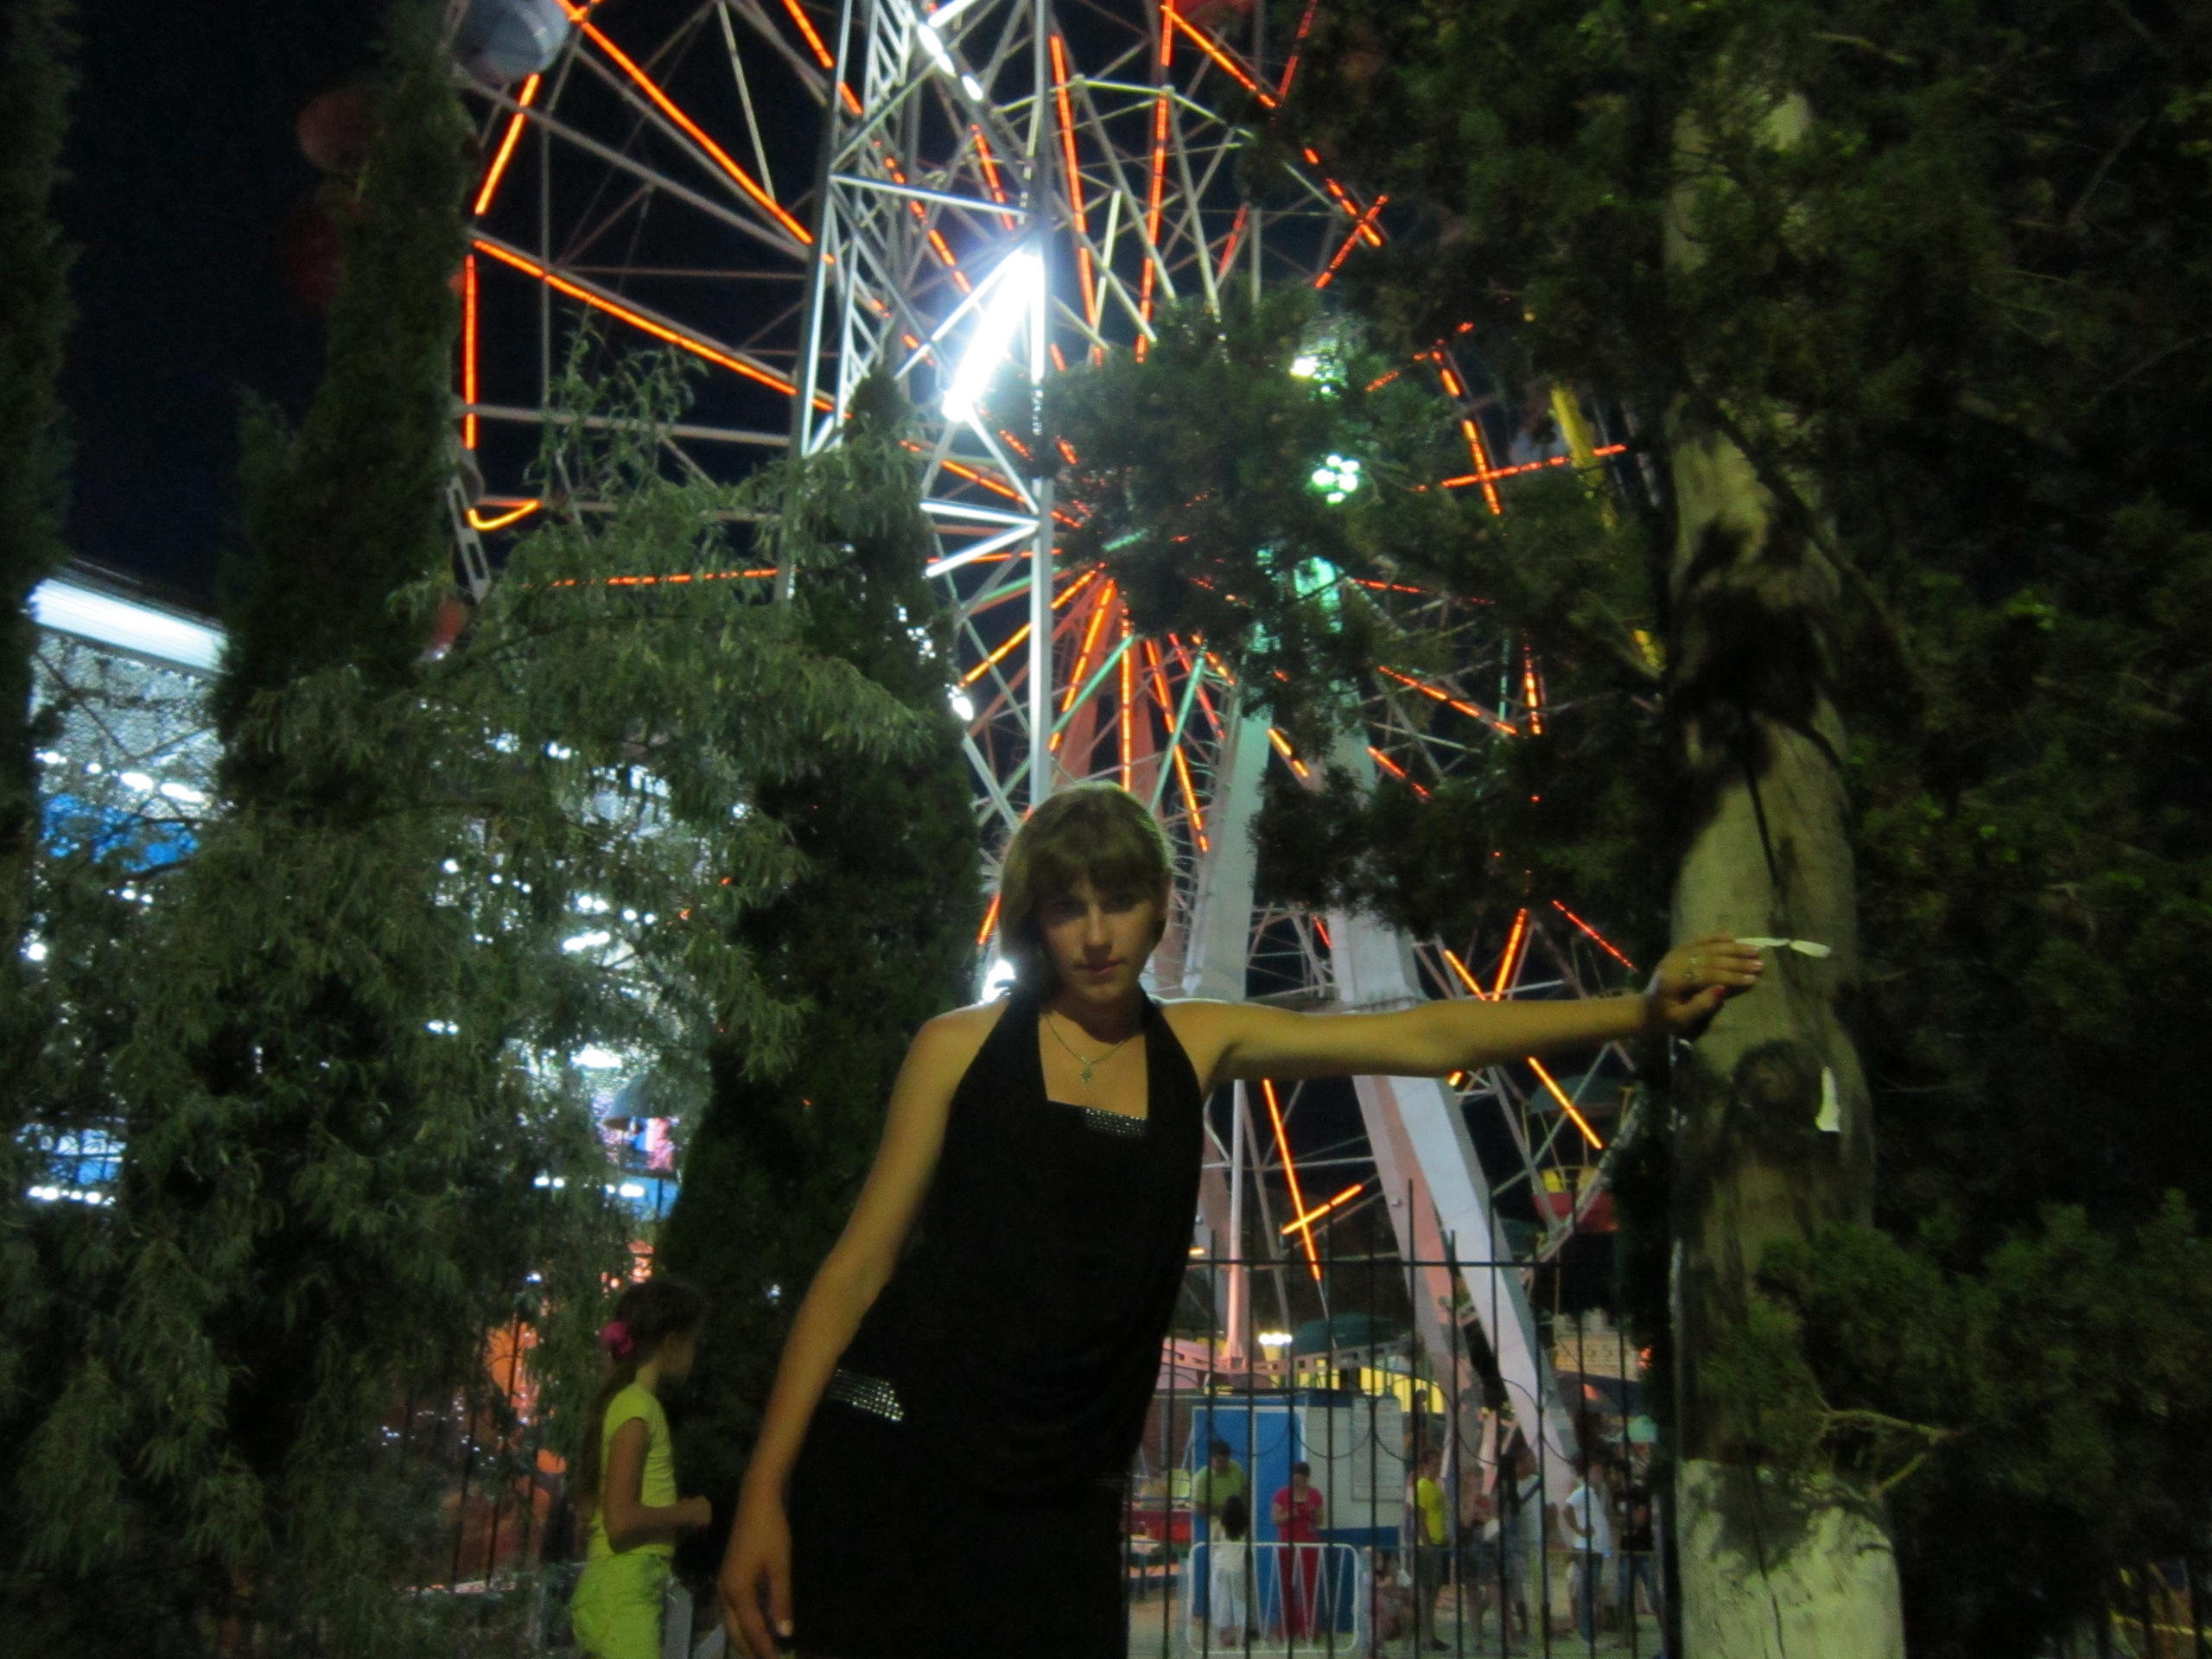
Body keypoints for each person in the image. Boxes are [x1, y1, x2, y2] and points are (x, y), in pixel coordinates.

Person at [715, 783, 1762, 1659]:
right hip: (898, 1452)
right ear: (1032, 916)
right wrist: (765, 1493)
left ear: (1161, 908)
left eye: (1119, 901)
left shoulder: (1198, 1043)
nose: (1094, 934)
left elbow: (1423, 1036)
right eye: (1067, 906)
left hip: (1061, 1489)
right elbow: (855, 1274)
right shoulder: (956, 1048)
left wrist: (1637, 1011)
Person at [570, 1278, 714, 1659]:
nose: (695, 1352)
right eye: (693, 1341)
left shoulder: (628, 1405)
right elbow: (620, 1520)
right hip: (623, 1600)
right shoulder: (638, 1409)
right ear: (671, 1342)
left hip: (617, 1595)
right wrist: (688, 1512)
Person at [1273, 1460, 1326, 1638]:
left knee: (1309, 1587)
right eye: (1295, 1479)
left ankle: (1308, 1627)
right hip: (1287, 1546)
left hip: (1309, 1546)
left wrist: (1314, 1515)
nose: (1298, 1482)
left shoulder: (1315, 1495)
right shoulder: (1282, 1494)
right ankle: (1286, 1627)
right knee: (1286, 1585)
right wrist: (1290, 1515)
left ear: (1307, 1478)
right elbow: (1276, 1519)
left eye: (1301, 1479)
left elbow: (1320, 1520)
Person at [1563, 1460, 1612, 1645]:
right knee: (1587, 1593)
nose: (1599, 1475)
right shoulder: (1582, 1492)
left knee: (1593, 1592)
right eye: (1595, 1471)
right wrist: (1578, 1530)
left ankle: (1591, 1632)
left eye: (1601, 1471)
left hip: (1599, 1548)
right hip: (1586, 1549)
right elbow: (1566, 1510)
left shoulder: (1601, 1494)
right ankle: (1587, 1635)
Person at [1409, 1448, 1452, 1650]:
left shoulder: (1436, 1487)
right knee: (1426, 1592)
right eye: (1434, 1464)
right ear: (1425, 1466)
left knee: (1434, 1592)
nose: (1437, 1468)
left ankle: (1430, 1634)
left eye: (1439, 1464)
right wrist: (1427, 1546)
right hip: (1428, 1546)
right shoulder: (1422, 1487)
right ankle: (1425, 1637)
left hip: (1440, 1544)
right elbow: (1419, 1519)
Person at [1209, 1492, 1256, 1649]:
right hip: (1238, 1568)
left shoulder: (1219, 1526)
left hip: (1220, 1567)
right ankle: (1241, 1637)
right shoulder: (1245, 1529)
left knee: (1221, 1603)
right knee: (1239, 1603)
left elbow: (1213, 1546)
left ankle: (1225, 1637)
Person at [1192, 1438, 1249, 1530]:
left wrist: (1243, 1507)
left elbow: (1245, 1490)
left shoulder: (1236, 1468)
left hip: (1238, 1522)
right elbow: (1199, 1508)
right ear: (1211, 1458)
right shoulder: (1201, 1478)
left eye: (1225, 1461)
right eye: (1219, 1461)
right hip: (1216, 1524)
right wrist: (1225, 1510)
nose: (1222, 1464)